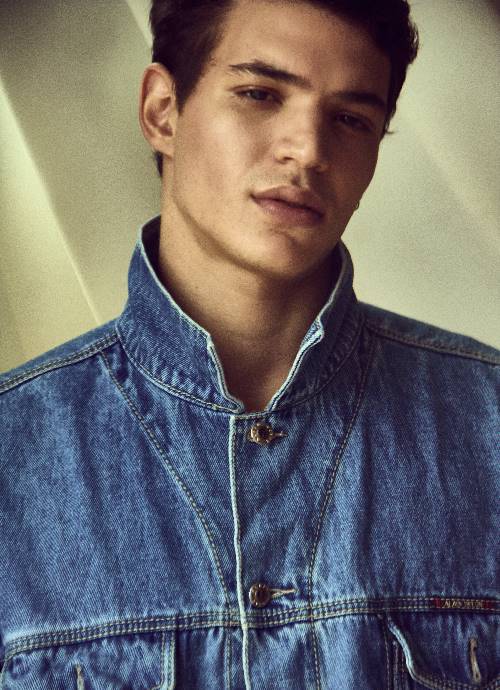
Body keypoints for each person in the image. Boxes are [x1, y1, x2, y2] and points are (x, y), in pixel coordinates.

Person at [0, 0, 498, 687]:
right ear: (163, 112)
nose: (309, 150)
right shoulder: (13, 449)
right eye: (260, 94)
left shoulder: (489, 420)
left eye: (351, 119)